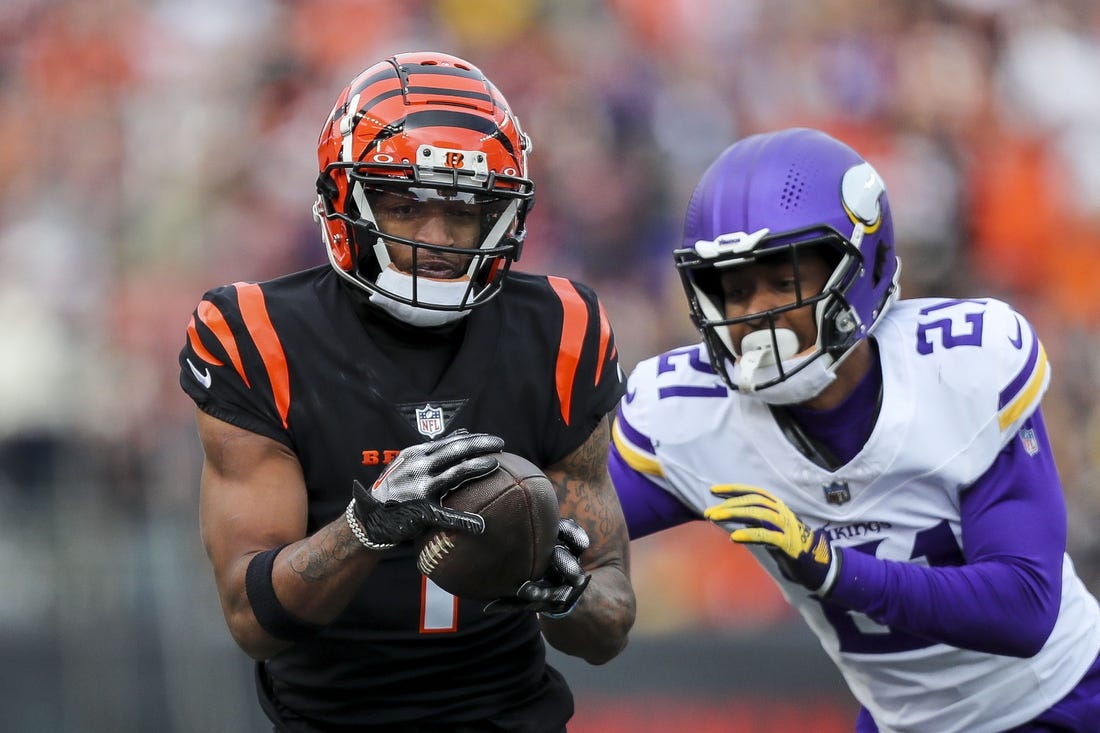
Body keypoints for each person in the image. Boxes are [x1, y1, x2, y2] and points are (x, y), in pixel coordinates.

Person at [178, 51, 635, 732]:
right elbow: (252, 619)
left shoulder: (563, 328)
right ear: (344, 201)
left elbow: (611, 619)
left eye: (463, 211)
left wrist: (569, 594)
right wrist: (366, 527)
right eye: (404, 206)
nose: (437, 239)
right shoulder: (255, 333)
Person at [609, 127, 1100, 732]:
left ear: (860, 268)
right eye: (734, 290)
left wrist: (836, 569)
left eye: (784, 281)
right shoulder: (693, 415)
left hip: (1064, 702)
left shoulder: (959, 369)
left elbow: (1023, 609)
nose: (756, 313)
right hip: (904, 722)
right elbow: (556, 526)